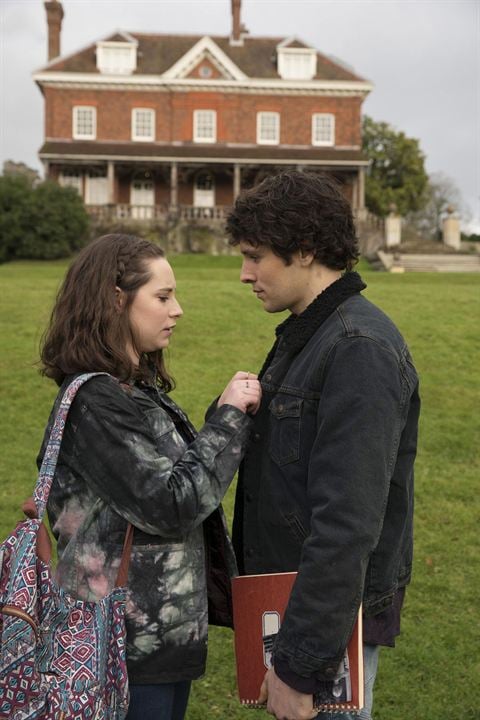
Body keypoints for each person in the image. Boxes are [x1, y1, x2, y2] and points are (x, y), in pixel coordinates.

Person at [37, 233, 261, 720]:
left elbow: (176, 475)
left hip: (155, 641)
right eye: (162, 297)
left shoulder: (135, 391)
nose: (177, 309)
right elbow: (170, 504)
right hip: (120, 647)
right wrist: (227, 419)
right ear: (116, 300)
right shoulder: (96, 402)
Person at [226, 171, 420, 720]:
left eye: (255, 256)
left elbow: (347, 523)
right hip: (293, 604)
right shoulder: (308, 332)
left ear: (306, 250)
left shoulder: (359, 348)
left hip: (332, 623)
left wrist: (300, 664)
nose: (244, 274)